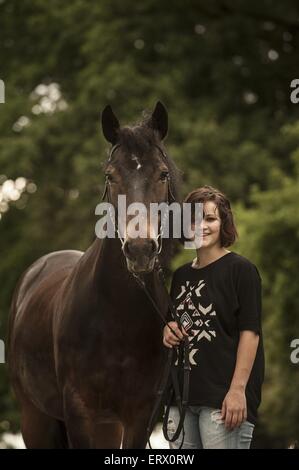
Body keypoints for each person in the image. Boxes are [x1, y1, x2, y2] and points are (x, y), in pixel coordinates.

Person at [163, 185, 264, 449]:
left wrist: (237, 390)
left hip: (223, 401)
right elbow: (174, 325)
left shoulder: (241, 271)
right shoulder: (180, 276)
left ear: (224, 223)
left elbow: (250, 333)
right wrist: (168, 330)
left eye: (210, 218)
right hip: (180, 402)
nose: (202, 226)